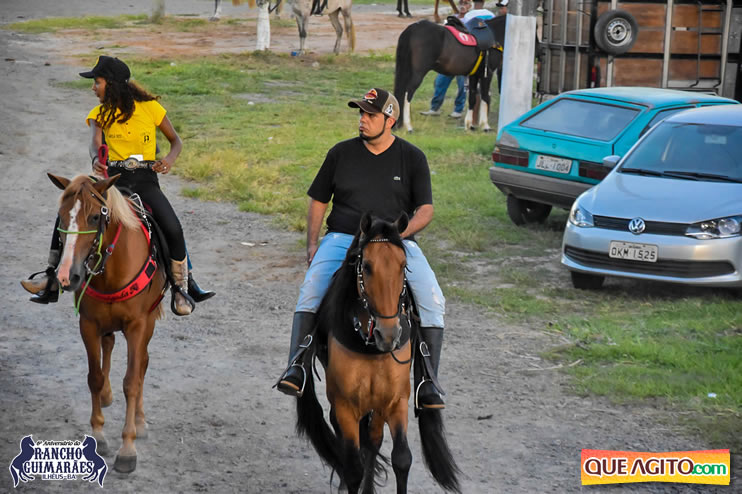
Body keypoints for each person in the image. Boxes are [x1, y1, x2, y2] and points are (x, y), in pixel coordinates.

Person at [276, 88, 448, 410]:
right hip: (343, 237)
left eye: (370, 114)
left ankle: (428, 382)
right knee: (311, 289)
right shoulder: (340, 154)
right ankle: (297, 365)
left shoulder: (412, 157)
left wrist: (400, 234)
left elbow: (426, 210)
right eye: (361, 113)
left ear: (390, 120)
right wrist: (312, 244)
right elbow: (318, 200)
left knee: (433, 299)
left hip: (396, 243)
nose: (362, 120)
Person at [20, 56, 214, 313]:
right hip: (111, 182)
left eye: (97, 82)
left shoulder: (151, 108)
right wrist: (95, 159)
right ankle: (52, 276)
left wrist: (168, 160)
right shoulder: (99, 114)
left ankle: (181, 286)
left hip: (145, 181)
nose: (93, 88)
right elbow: (95, 142)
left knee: (173, 227)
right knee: (70, 208)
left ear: (111, 84)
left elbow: (176, 141)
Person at [420, 0, 472, 119]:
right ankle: (435, 108)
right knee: (440, 82)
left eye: (465, 3)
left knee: (462, 85)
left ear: (470, 6)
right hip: (449, 58)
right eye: (461, 3)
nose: (462, 6)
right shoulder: (452, 18)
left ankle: (458, 110)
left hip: (463, 59)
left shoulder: (470, 19)